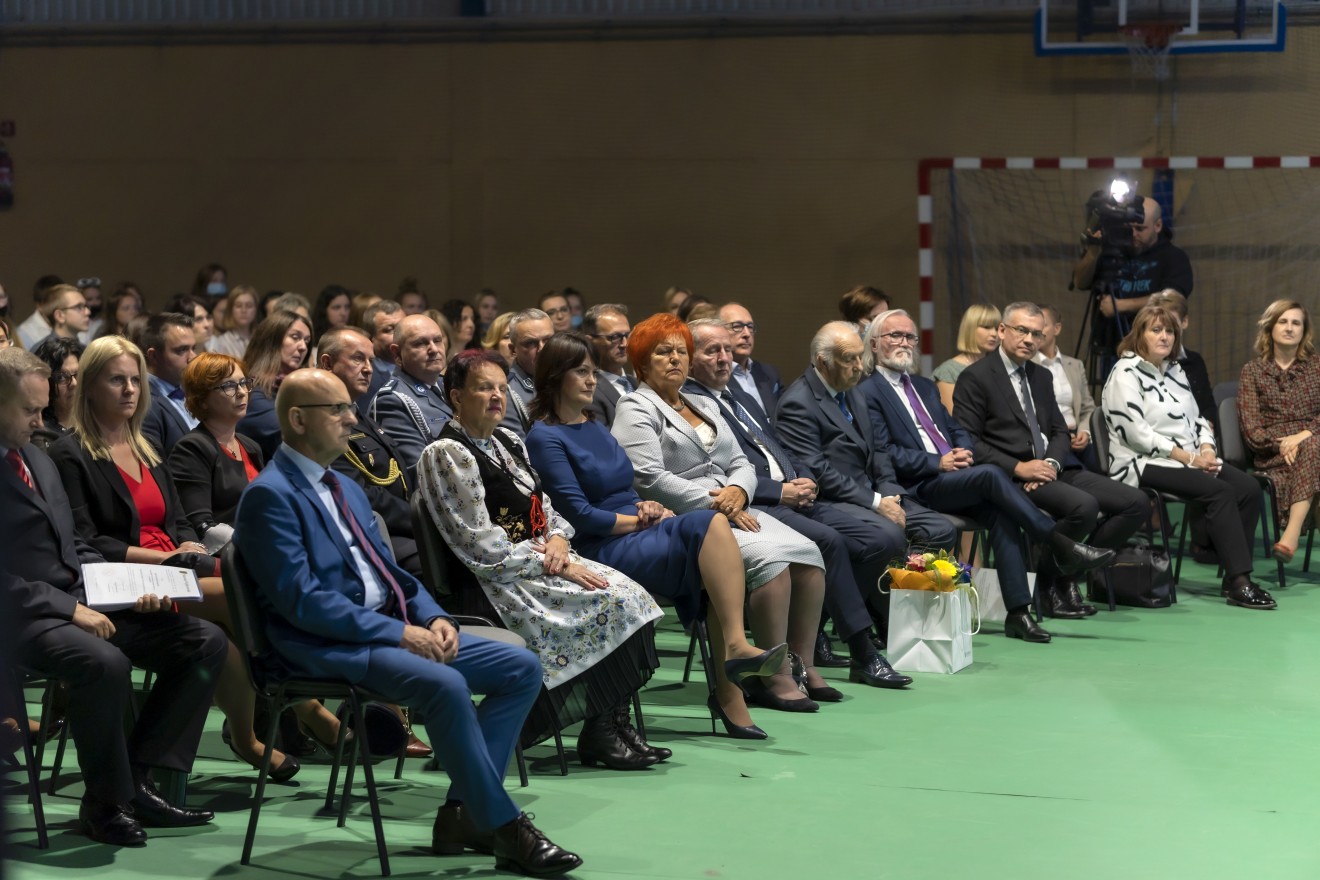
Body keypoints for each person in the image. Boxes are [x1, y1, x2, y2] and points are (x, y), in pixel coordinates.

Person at [233, 368, 582, 875]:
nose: (352, 419)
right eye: (338, 410)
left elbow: (391, 573)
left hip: (382, 631)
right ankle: (505, 825)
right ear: (298, 420)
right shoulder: (270, 496)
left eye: (350, 408)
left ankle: (463, 813)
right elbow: (302, 602)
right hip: (323, 645)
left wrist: (432, 616)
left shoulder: (344, 487)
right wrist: (398, 631)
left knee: (521, 667)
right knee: (444, 684)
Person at [47, 337, 312, 781]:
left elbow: (181, 522)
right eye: (116, 380)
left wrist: (187, 546)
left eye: (135, 380)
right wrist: (164, 557)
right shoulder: (70, 453)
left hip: (175, 566)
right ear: (89, 386)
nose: (130, 389)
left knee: (228, 627)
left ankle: (252, 734)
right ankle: (301, 708)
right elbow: (86, 540)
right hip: (123, 576)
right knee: (241, 591)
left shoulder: (147, 449)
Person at [1, 346, 228, 847]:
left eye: (42, 409)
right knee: (104, 663)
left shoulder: (35, 457)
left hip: (80, 596)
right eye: (28, 410)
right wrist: (70, 608)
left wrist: (123, 585)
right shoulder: (49, 454)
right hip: (26, 615)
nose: (40, 421)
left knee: (204, 642)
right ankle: (104, 805)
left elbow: (74, 544)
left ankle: (138, 781)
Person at [525, 333, 791, 740]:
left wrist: (648, 506)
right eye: (581, 372)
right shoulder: (544, 436)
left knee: (713, 544)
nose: (592, 380)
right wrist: (640, 520)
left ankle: (733, 678)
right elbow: (580, 516)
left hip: (634, 529)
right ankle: (733, 669)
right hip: (600, 545)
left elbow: (625, 489)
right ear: (555, 377)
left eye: (593, 372)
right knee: (710, 527)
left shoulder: (594, 426)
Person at [415, 348, 671, 769]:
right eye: (484, 388)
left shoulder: (508, 441)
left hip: (539, 563)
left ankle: (611, 725)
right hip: (493, 583)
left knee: (632, 596)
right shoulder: (446, 453)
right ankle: (601, 732)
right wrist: (557, 562)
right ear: (457, 397)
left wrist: (558, 540)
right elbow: (480, 547)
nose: (497, 396)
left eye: (502, 388)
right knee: (614, 601)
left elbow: (545, 507)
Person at [613, 314, 833, 718]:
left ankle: (802, 663)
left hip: (735, 504)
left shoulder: (702, 402)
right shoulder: (635, 406)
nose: (675, 359)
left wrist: (739, 491)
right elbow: (648, 478)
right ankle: (770, 675)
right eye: (663, 352)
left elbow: (741, 462)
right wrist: (717, 503)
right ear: (642, 363)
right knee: (772, 560)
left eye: (681, 351)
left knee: (809, 555)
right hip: (686, 517)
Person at [862, 311, 1115, 642]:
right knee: (992, 475)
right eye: (895, 336)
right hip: (918, 484)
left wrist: (964, 452)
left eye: (910, 337)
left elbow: (957, 429)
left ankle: (1018, 614)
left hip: (956, 476)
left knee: (1002, 515)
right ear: (874, 344)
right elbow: (883, 452)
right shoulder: (867, 391)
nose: (904, 343)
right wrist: (938, 462)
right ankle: (1057, 542)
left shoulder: (923, 386)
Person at [685, 319, 901, 684]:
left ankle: (819, 632)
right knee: (830, 542)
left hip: (794, 494)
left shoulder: (737, 396)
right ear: (690, 359)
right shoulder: (692, 405)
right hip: (758, 503)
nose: (725, 359)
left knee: (881, 539)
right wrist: (778, 490)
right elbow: (715, 475)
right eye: (713, 351)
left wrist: (805, 477)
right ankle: (862, 651)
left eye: (727, 350)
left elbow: (779, 446)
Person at [953, 302, 1149, 618]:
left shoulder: (1041, 376)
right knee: (1084, 507)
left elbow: (1059, 430)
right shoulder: (976, 377)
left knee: (1136, 503)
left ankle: (1063, 573)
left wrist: (1053, 465)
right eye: (1022, 331)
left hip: (1054, 468)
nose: (1030, 339)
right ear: (1002, 330)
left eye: (1036, 334)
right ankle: (1048, 586)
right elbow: (968, 440)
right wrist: (1020, 467)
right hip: (1009, 477)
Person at [775, 321, 957, 635]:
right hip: (832, 500)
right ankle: (829, 621)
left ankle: (884, 612)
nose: (860, 366)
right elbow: (819, 472)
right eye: (850, 359)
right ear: (822, 361)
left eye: (860, 357)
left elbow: (879, 451)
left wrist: (890, 492)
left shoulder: (853, 391)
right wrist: (876, 503)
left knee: (941, 530)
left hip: (873, 493)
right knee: (888, 536)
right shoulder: (798, 402)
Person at [1103, 305, 1273, 609]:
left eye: (1169, 331)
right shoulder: (1124, 373)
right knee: (1220, 491)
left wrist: (1207, 449)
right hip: (1141, 463)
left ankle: (1231, 576)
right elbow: (1136, 434)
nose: (1165, 336)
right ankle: (1240, 582)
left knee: (1247, 488)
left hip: (1186, 459)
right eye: (1156, 330)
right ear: (1139, 334)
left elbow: (1198, 420)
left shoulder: (1175, 371)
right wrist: (1189, 458)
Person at [319, 327, 424, 579]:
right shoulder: (322, 424)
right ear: (327, 363)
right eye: (358, 359)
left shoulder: (359, 415)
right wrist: (421, 519)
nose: (368, 369)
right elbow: (358, 494)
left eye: (371, 361)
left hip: (402, 527)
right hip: (372, 532)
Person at [1239, 300, 1320, 563]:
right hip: (1274, 455)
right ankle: (1293, 534)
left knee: (1313, 446)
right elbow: (1252, 430)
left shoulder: (1317, 366)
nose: (1289, 328)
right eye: (1282, 322)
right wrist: (1282, 444)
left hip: (1313, 443)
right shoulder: (1252, 371)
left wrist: (1304, 435)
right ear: (1270, 327)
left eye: (1296, 323)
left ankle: (1290, 535)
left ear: (1304, 331)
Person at [1073, 195, 1193, 369]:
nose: (1133, 234)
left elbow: (1173, 300)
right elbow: (1080, 282)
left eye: (1140, 228)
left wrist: (1119, 305)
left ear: (1158, 225)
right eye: (1129, 228)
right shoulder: (1110, 250)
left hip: (1152, 349)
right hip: (1109, 345)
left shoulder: (1174, 257)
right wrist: (1093, 252)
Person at [168, 353, 263, 553]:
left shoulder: (251, 446)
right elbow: (201, 525)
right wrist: (257, 549)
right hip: (229, 555)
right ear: (202, 399)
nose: (241, 392)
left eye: (243, 383)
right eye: (228, 386)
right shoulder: (192, 448)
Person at [370, 314, 453, 480]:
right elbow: (421, 473)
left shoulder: (450, 386)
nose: (434, 349)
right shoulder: (392, 400)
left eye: (437, 340)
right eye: (420, 343)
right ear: (397, 353)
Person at [236, 310, 313, 462]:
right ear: (271, 340)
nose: (303, 347)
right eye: (295, 337)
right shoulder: (251, 392)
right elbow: (300, 439)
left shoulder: (300, 389)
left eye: (307, 341)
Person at [1036, 303, 1099, 472]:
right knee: (1083, 475)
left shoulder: (1075, 365)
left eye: (1043, 325)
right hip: (1052, 439)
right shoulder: (1028, 365)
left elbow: (1088, 407)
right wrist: (1062, 436)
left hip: (1078, 434)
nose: (1037, 331)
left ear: (1056, 328)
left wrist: (1085, 432)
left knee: (1109, 466)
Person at [1147, 289, 1215, 429]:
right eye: (1157, 328)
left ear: (1184, 322)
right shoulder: (1141, 366)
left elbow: (1208, 407)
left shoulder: (1195, 361)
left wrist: (1206, 431)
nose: (1164, 336)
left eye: (1171, 327)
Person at [136, 313, 200, 459]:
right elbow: (155, 466)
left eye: (193, 348)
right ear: (153, 356)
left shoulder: (192, 389)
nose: (193, 357)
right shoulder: (143, 403)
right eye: (182, 350)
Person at [931, 303, 1000, 415]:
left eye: (997, 328)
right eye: (986, 327)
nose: (994, 334)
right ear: (970, 329)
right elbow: (953, 418)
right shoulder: (948, 372)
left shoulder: (1000, 368)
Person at [719, 302, 781, 421]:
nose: (747, 334)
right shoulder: (715, 376)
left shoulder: (769, 373)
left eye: (750, 327)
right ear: (719, 331)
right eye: (737, 326)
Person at [503, 308, 554, 437]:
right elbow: (519, 447)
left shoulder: (569, 379)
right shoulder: (507, 392)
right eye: (531, 343)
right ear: (513, 349)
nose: (542, 349)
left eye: (548, 340)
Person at [582, 303, 635, 426]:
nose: (624, 344)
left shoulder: (638, 384)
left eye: (627, 335)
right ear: (590, 341)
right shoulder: (587, 390)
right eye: (615, 337)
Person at [29, 335, 82, 451]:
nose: (74, 383)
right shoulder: (39, 433)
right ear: (45, 382)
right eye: (61, 377)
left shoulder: (93, 421)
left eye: (78, 374)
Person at [361, 299, 403, 403]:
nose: (399, 335)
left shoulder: (419, 367)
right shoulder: (365, 377)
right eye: (389, 330)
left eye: (402, 327)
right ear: (371, 338)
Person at [209, 284, 260, 360]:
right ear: (230, 310)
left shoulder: (262, 339)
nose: (244, 310)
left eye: (249, 306)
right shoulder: (221, 343)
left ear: (256, 309)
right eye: (238, 306)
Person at [17, 275, 63, 350]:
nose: (59, 306)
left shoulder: (75, 321)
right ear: (39, 305)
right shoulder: (23, 333)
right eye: (52, 302)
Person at [76, 277, 106, 342]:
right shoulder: (74, 324)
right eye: (89, 299)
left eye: (98, 298)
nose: (95, 303)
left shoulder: (105, 324)